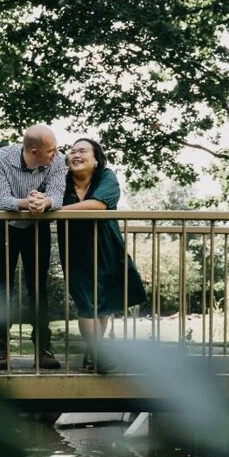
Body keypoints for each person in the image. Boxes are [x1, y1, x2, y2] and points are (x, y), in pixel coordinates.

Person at [55, 138, 147, 372]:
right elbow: (45, 199)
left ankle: (93, 353)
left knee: (102, 302)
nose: (75, 154)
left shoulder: (107, 177)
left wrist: (58, 210)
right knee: (87, 303)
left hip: (107, 245)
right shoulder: (60, 182)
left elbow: (99, 205)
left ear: (96, 160)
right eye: (72, 150)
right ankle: (98, 353)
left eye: (82, 150)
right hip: (75, 248)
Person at [0, 125, 66, 370]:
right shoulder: (0, 157)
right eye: (51, 151)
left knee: (38, 287)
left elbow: (57, 195)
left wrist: (45, 202)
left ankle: (43, 348)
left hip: (37, 227)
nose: (57, 154)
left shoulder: (58, 160)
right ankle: (1, 347)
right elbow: (1, 199)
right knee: (2, 286)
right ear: (34, 152)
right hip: (4, 226)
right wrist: (27, 203)